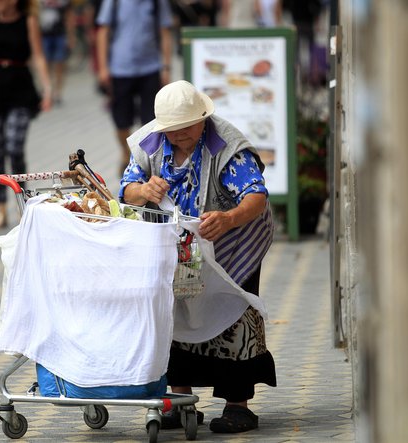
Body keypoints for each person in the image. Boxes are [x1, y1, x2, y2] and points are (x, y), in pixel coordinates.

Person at [120, 80, 276, 433]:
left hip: (232, 242)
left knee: (234, 313)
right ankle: (180, 400)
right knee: (173, 315)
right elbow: (127, 188)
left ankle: (238, 406)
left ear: (202, 119)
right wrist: (144, 190)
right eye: (170, 131)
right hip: (178, 245)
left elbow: (256, 196)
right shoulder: (151, 141)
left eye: (185, 129)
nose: (177, 137)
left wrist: (229, 218)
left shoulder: (227, 146)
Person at [0, 0, 52, 229]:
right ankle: (0, 208)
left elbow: (38, 55)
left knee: (14, 148)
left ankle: (22, 206)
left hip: (20, 89)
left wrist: (47, 88)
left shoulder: (28, 21)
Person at [95, 0, 173, 175]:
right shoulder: (113, 2)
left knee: (151, 120)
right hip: (120, 68)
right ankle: (126, 152)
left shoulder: (157, 3)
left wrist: (166, 67)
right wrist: (103, 68)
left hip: (151, 68)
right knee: (121, 120)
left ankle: (146, 159)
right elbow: (103, 32)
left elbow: (165, 32)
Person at [39, 0, 76, 105]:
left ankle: (58, 92)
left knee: (60, 63)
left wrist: (71, 35)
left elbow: (69, 15)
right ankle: (47, 90)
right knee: (45, 64)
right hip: (43, 34)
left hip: (60, 33)